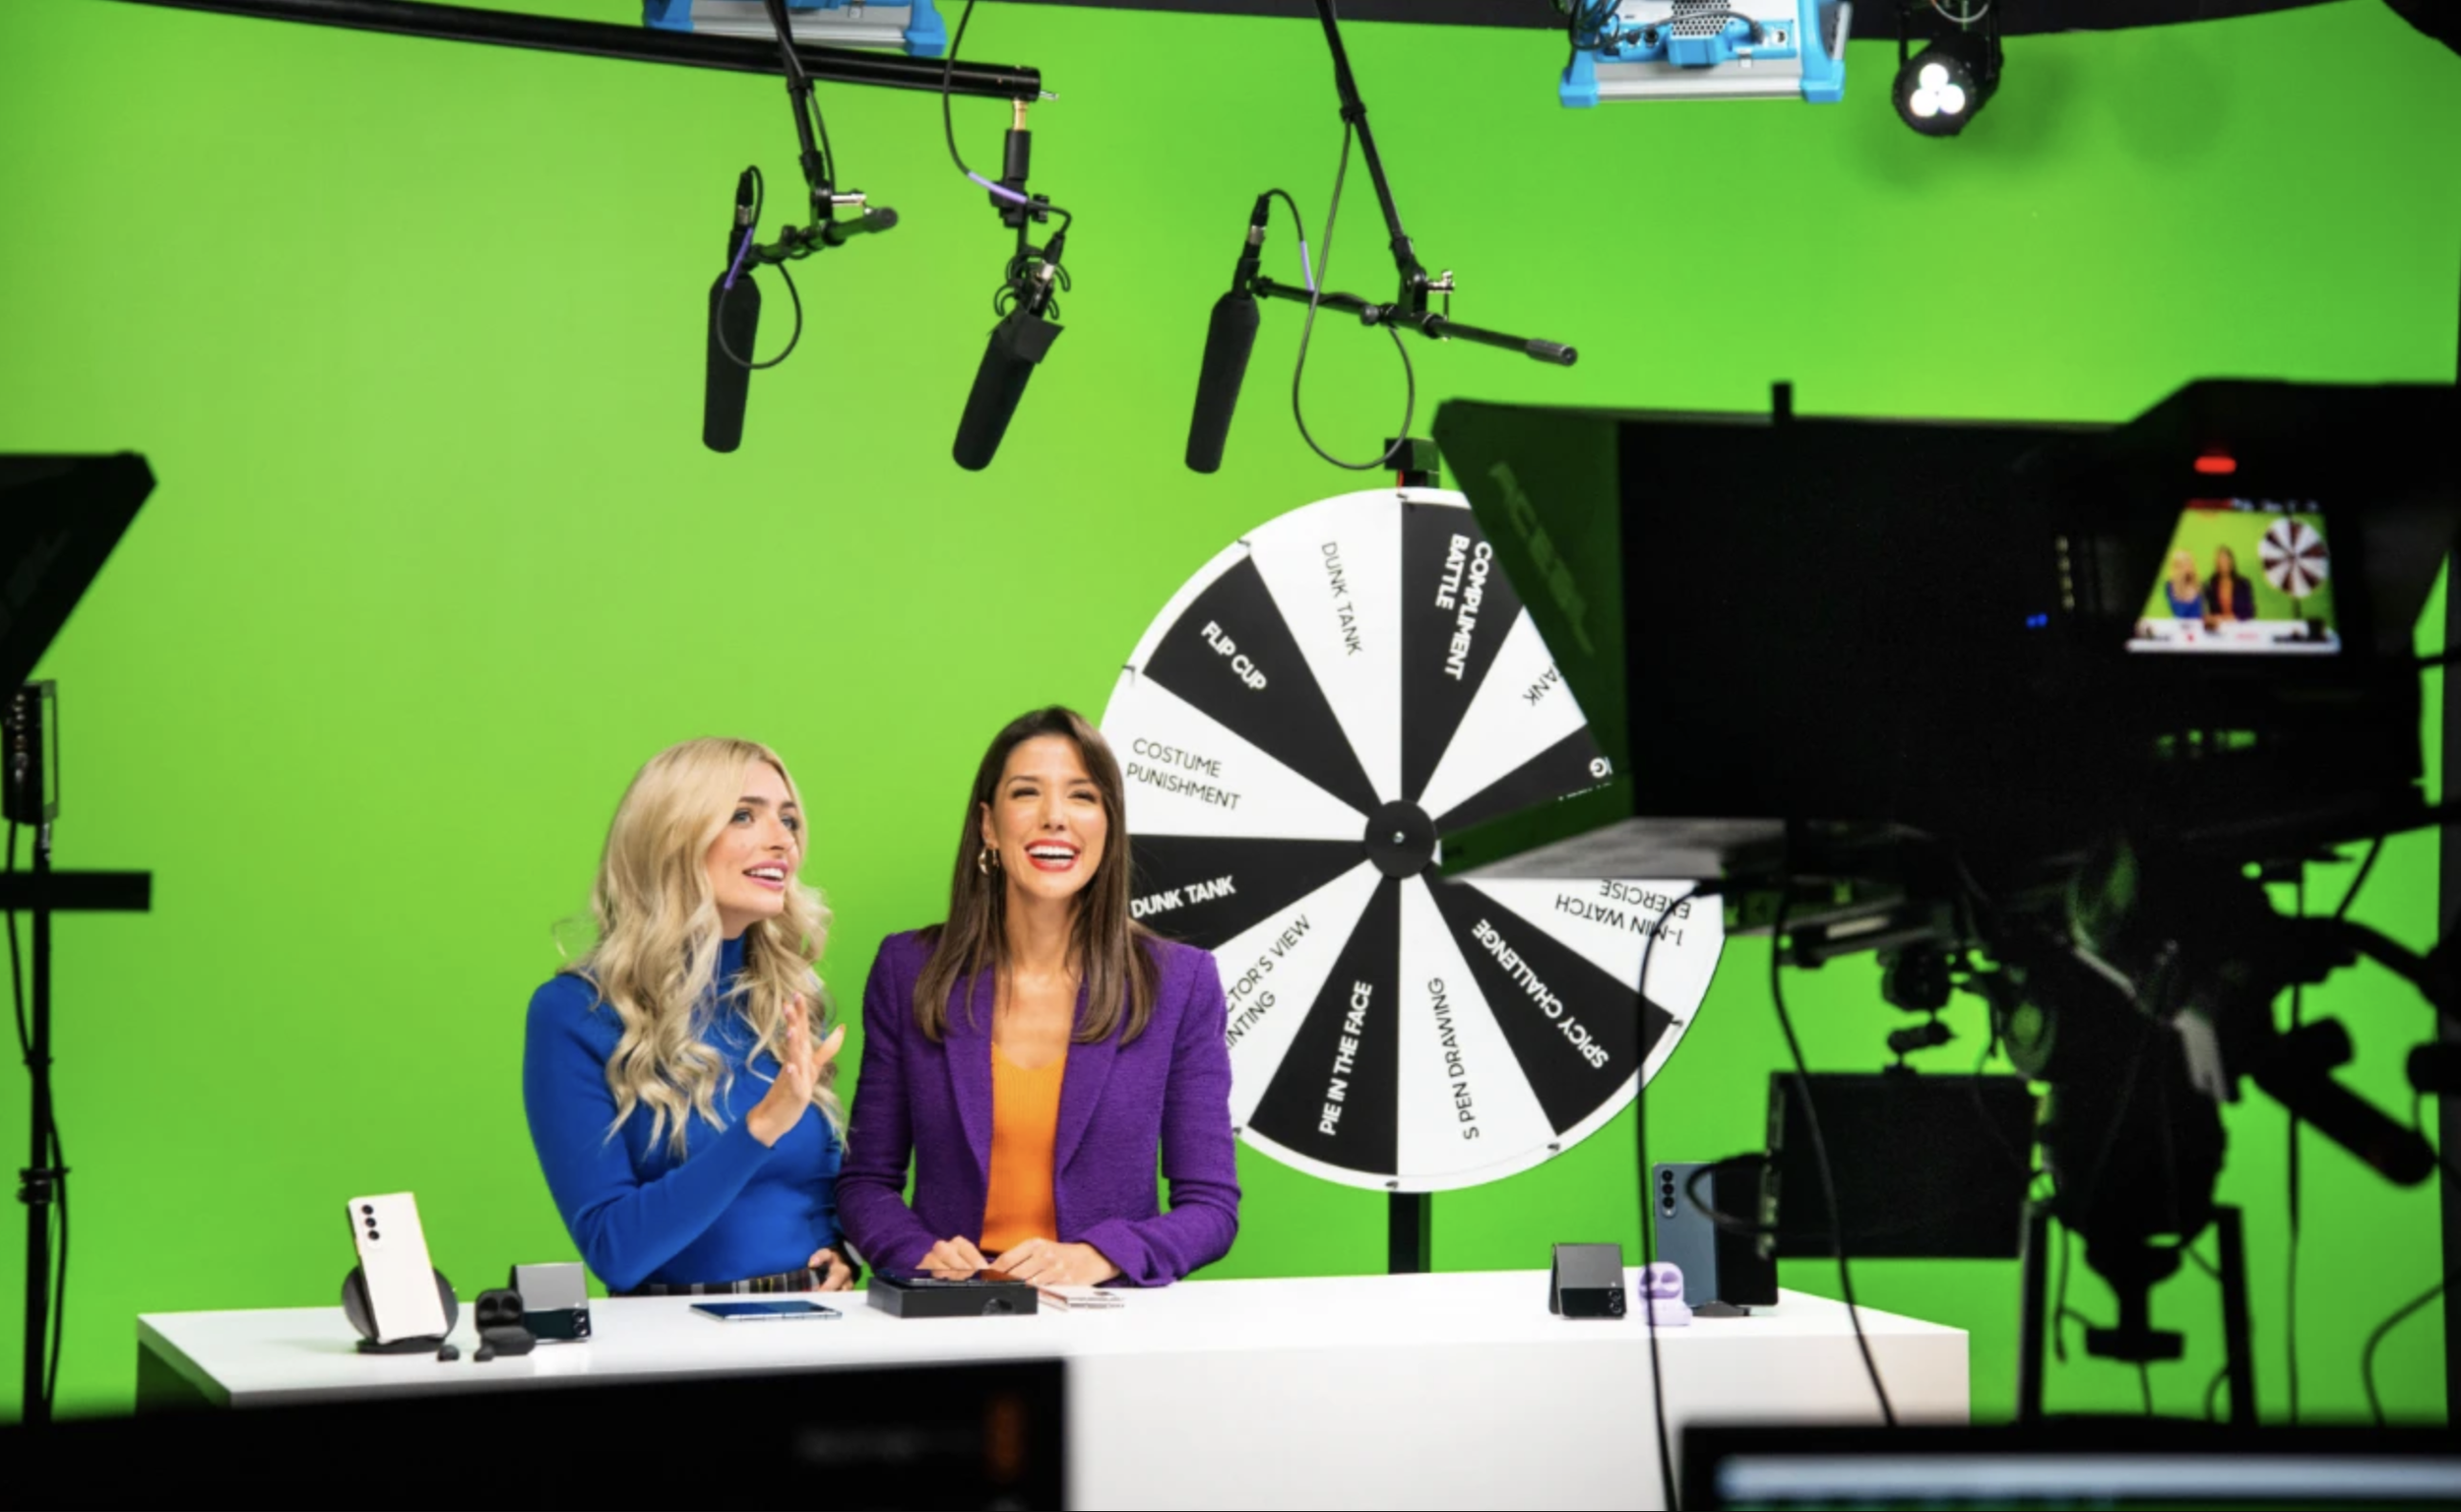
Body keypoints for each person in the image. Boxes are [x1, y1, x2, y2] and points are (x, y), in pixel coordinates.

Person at [839, 707, 1239, 1288]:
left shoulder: (1181, 982)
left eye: (1082, 796)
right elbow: (865, 1182)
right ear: (989, 826)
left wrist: (1099, 1256)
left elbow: (1211, 1208)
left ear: (1108, 823)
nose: (1055, 817)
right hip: (951, 1316)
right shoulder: (910, 970)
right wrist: (916, 1250)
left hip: (1103, 1316)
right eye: (1026, 793)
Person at [523, 738, 854, 1295]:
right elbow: (615, 1250)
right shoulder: (576, 1015)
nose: (782, 841)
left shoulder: (788, 1001)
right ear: (672, 835)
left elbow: (809, 1190)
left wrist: (843, 1247)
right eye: (744, 815)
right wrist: (763, 1124)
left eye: (789, 820)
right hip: (675, 1347)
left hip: (816, 1332)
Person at [2203, 543, 2258, 625]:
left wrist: (2232, 618)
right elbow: (2206, 611)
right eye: (2220, 560)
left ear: (2231, 562)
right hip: (2218, 630)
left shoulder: (2243, 584)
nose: (2223, 563)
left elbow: (2251, 612)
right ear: (2216, 563)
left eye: (2226, 560)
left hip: (2240, 628)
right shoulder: (2210, 585)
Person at [2163, 549, 2204, 618]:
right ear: (2177, 567)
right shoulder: (2169, 586)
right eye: (2184, 564)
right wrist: (2181, 585)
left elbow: (2199, 612)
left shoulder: (2198, 584)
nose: (2189, 566)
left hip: (2197, 626)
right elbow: (2179, 613)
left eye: (2189, 562)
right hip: (2180, 626)